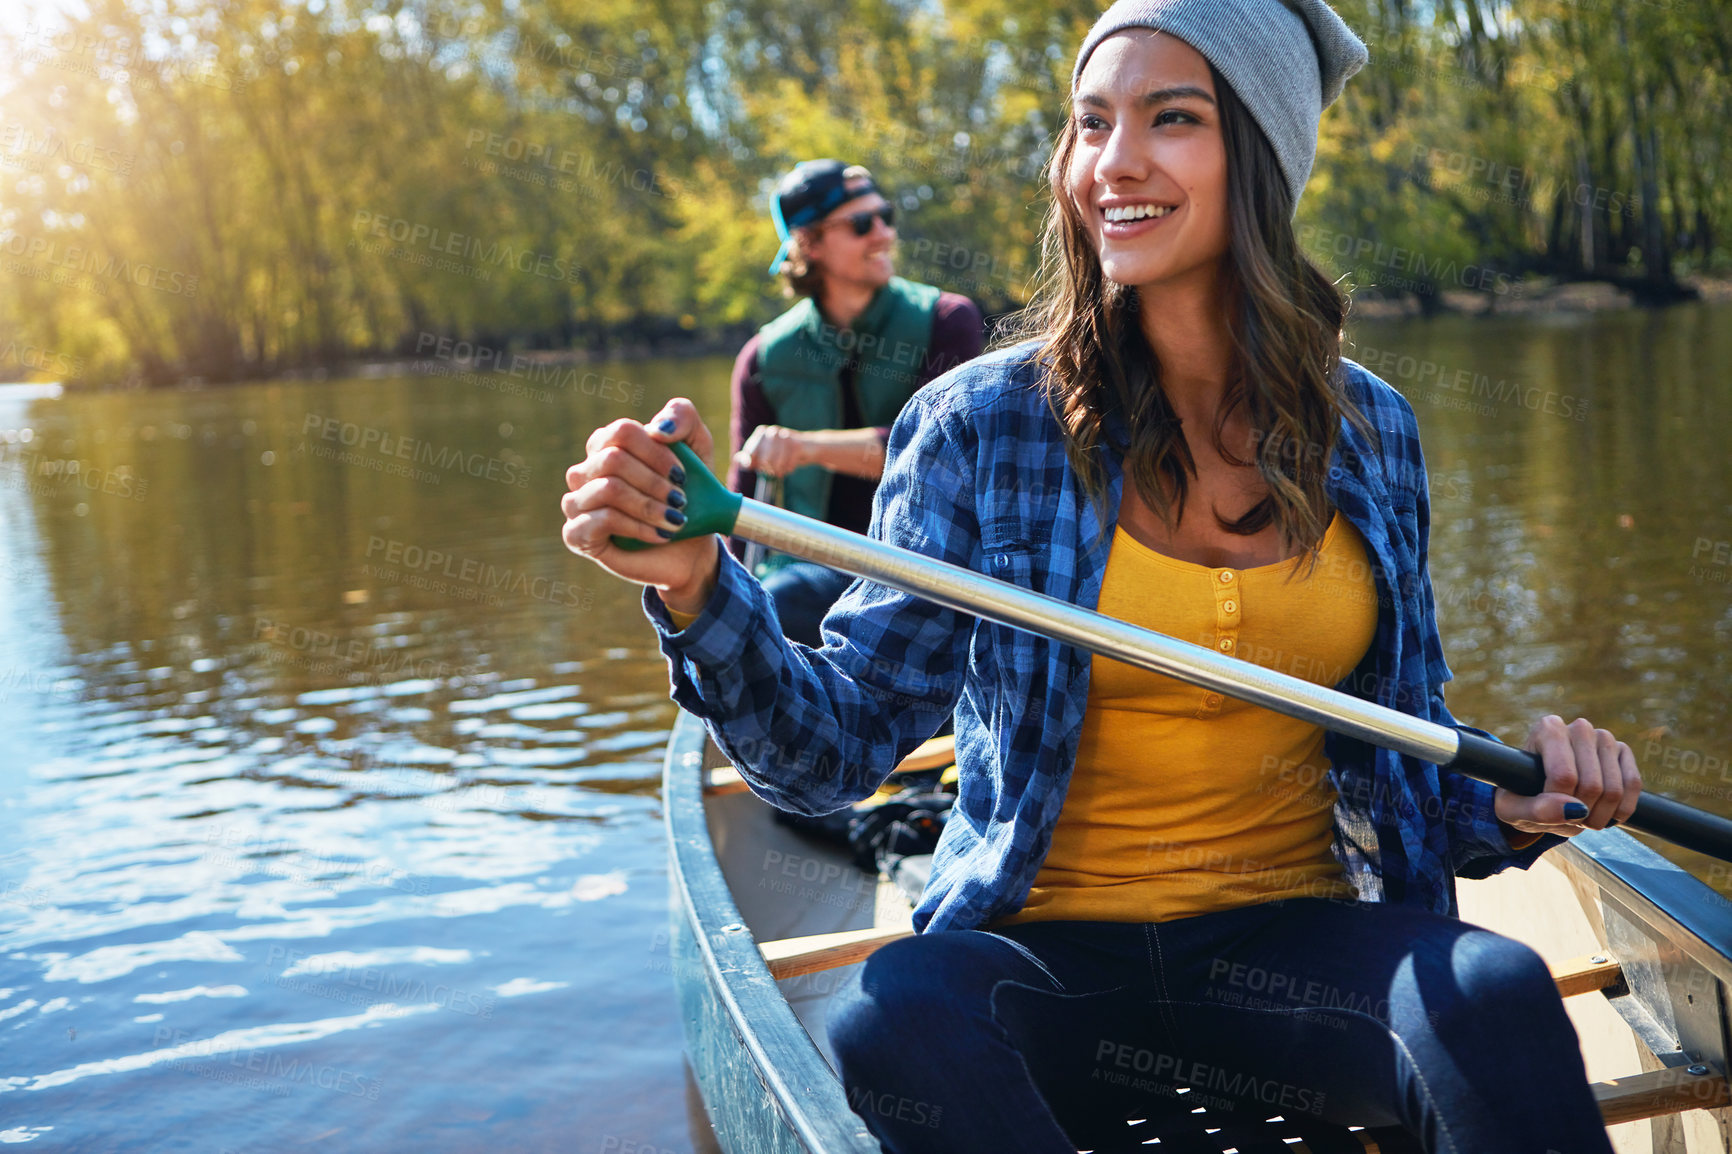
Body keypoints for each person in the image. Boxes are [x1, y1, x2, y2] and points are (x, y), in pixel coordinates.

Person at [558, 1, 1642, 1150]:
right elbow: (830, 756)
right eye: (1089, 122)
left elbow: (1404, 754)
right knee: (891, 1016)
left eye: (1171, 118)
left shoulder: (1371, 428)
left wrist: (1516, 799)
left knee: (1496, 989)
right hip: (1045, 962)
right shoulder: (979, 425)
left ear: (1262, 156)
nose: (1112, 162)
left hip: (1292, 951)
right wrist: (693, 586)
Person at [728, 159, 984, 646]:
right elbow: (742, 508)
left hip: (929, 565)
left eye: (885, 217)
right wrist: (715, 603)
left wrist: (805, 447)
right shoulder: (761, 358)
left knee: (781, 606)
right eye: (862, 224)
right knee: (761, 608)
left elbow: (936, 457)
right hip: (812, 572)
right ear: (809, 243)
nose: (884, 234)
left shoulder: (949, 320)